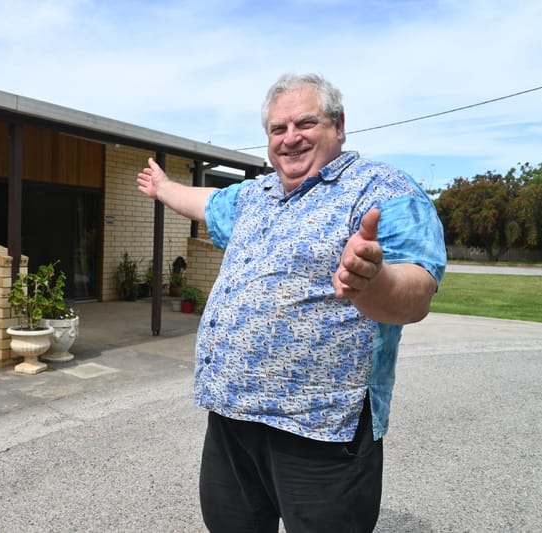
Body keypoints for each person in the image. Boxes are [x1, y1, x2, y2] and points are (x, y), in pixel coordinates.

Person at [136, 73, 446, 532]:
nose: (290, 138)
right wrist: (164, 187)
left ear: (339, 125)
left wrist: (372, 281)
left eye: (305, 123)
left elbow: (417, 292)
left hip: (320, 429)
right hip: (231, 416)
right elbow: (207, 201)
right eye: (277, 129)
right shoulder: (255, 195)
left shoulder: (381, 189)